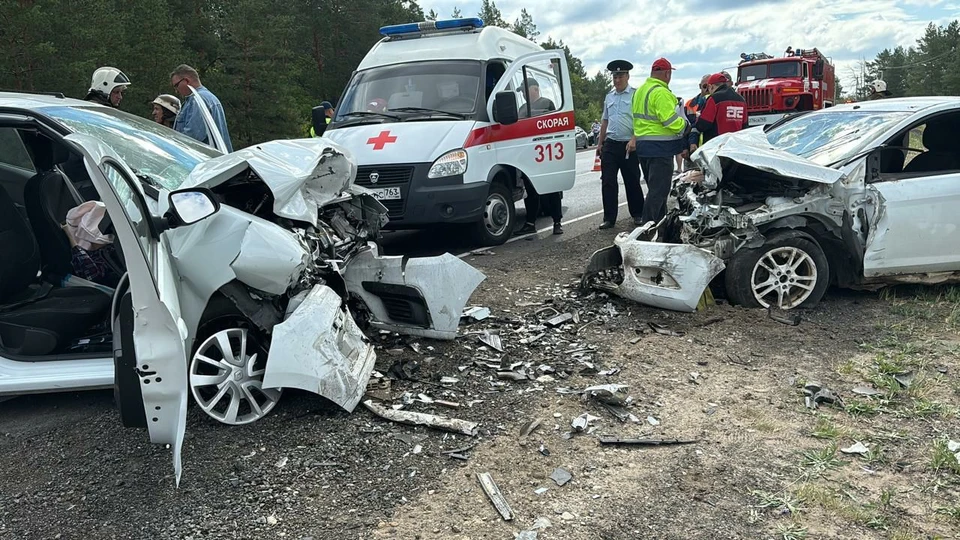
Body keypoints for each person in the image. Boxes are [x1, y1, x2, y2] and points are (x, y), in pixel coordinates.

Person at [628, 57, 687, 227]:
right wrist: (686, 126)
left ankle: (661, 226)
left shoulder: (639, 91)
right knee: (658, 192)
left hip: (644, 148)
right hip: (660, 148)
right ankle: (647, 229)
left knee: (655, 190)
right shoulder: (661, 92)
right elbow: (669, 120)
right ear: (667, 74)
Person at [595, 60, 643, 230]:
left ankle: (638, 214)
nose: (617, 80)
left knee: (632, 180)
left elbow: (641, 120)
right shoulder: (609, 97)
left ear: (627, 76)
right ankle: (609, 218)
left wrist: (634, 139)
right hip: (611, 144)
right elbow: (605, 121)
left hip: (629, 145)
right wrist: (600, 144)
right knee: (608, 181)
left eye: (620, 76)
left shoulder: (636, 95)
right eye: (615, 76)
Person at [170, 64, 234, 152]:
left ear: (186, 81)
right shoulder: (209, 98)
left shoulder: (198, 100)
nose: (176, 90)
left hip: (205, 161)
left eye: (176, 85)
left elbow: (191, 137)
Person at [62, 201, 121, 288]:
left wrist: (72, 241)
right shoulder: (107, 249)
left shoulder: (110, 250)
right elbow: (92, 275)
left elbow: (93, 275)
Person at [688, 72, 748, 156]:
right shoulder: (741, 100)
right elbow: (745, 126)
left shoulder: (714, 99)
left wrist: (698, 118)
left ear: (711, 86)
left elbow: (703, 125)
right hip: (735, 147)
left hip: (716, 147)